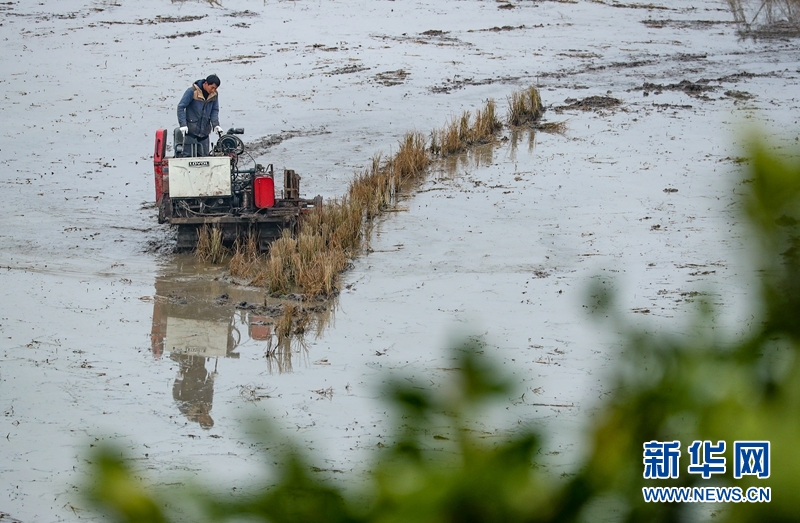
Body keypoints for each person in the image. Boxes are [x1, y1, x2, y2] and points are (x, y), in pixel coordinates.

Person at [176, 74, 223, 157]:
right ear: (206, 83)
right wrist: (183, 124)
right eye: (212, 87)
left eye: (215, 89)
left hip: (204, 133)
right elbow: (181, 107)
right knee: (188, 159)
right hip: (190, 132)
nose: (213, 90)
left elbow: (214, 110)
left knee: (205, 158)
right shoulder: (192, 92)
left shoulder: (214, 95)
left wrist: (216, 125)